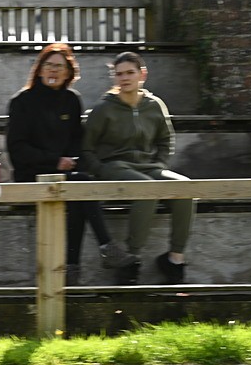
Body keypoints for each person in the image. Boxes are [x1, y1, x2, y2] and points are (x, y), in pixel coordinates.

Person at [6, 43, 136, 286]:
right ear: (40, 69)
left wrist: (73, 160)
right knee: (80, 185)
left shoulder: (71, 100)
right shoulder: (22, 102)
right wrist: (54, 161)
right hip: (31, 176)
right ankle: (103, 248)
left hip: (65, 175)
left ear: (68, 72)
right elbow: (17, 149)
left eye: (60, 66)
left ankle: (72, 270)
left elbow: (78, 139)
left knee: (79, 190)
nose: (53, 71)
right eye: (49, 65)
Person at [82, 51, 195, 284]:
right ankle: (131, 259)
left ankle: (175, 258)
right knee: (147, 188)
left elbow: (166, 140)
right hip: (114, 166)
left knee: (185, 188)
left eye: (129, 73)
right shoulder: (104, 108)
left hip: (149, 167)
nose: (124, 78)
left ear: (142, 74)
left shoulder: (154, 105)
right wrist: (100, 169)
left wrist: (161, 164)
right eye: (119, 74)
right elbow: (86, 148)